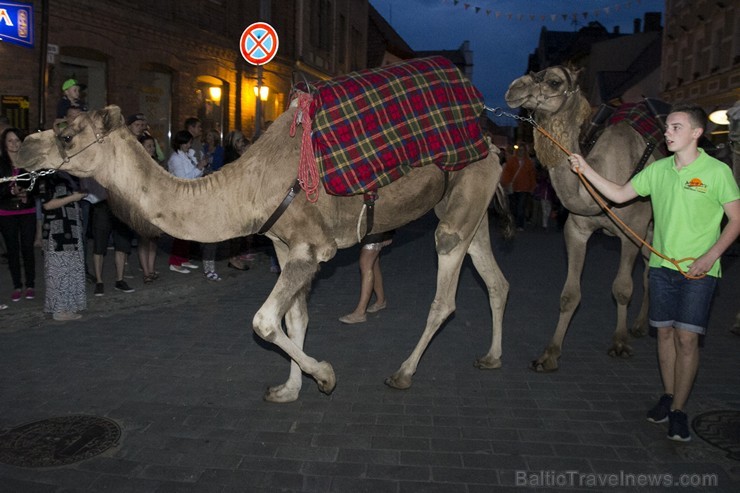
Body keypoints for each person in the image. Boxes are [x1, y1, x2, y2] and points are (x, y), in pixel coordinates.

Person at [567, 103, 740, 442]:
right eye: (668, 127)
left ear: (696, 133)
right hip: (661, 269)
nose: (667, 132)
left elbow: (736, 220)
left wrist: (710, 257)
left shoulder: (717, 172)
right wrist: (585, 169)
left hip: (700, 271)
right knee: (662, 335)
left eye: (676, 128)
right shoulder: (658, 169)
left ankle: (679, 410)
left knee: (686, 339)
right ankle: (668, 394)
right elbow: (618, 194)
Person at [166, 130, 221, 280]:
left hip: (191, 196)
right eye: (189, 142)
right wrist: (199, 166)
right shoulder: (175, 158)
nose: (191, 145)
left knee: (188, 230)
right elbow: (183, 179)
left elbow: (194, 173)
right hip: (181, 197)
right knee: (181, 231)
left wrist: (200, 166)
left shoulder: (186, 154)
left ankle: (183, 259)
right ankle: (175, 262)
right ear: (182, 143)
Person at [39, 171, 88, 321]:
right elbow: (47, 205)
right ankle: (60, 310)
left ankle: (69, 306)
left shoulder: (69, 175)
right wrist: (74, 197)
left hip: (72, 228)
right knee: (60, 271)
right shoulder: (46, 177)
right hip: (57, 230)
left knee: (71, 269)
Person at [0, 128, 37, 302]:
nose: (14, 144)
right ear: (4, 143)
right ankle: (17, 285)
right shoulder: (1, 164)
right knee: (13, 250)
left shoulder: (29, 162)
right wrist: (10, 191)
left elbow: (37, 186)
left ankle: (30, 284)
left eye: (17, 140)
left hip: (27, 210)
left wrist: (26, 193)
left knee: (28, 249)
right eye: (10, 141)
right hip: (6, 211)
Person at [85, 177, 136, 296]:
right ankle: (99, 282)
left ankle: (120, 280)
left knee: (122, 244)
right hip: (102, 205)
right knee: (99, 246)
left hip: (120, 204)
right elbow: (88, 185)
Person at [338, 230, 395, 325]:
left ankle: (360, 313)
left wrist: (388, 234)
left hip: (375, 231)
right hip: (370, 230)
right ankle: (381, 301)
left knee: (366, 263)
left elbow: (381, 215)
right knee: (373, 262)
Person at [136, 134, 161, 284]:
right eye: (149, 146)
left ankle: (151, 269)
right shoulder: (138, 165)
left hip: (155, 205)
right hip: (142, 206)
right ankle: (145, 272)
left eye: (153, 146)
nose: (152, 148)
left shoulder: (155, 163)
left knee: (153, 240)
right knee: (144, 240)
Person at [501, 143, 536, 231]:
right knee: (514, 207)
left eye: (522, 150)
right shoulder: (512, 161)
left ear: (525, 151)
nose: (521, 152)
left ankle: (520, 225)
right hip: (513, 188)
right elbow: (507, 173)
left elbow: (532, 175)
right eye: (519, 150)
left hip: (524, 188)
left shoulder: (528, 162)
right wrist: (506, 183)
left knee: (521, 207)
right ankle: (514, 223)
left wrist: (532, 187)